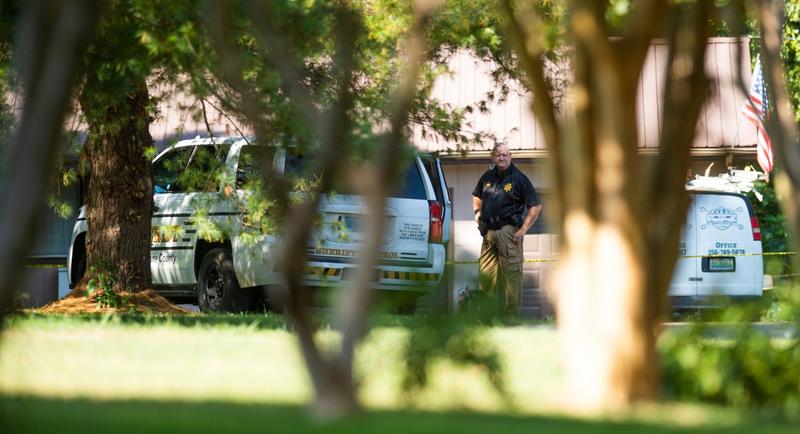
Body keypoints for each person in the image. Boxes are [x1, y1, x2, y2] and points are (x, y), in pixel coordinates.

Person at [472, 143, 542, 314]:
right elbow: (476, 195)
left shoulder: (519, 178)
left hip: (509, 232)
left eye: (505, 155)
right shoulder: (487, 177)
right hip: (488, 232)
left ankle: (511, 318)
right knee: (486, 275)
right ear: (493, 157)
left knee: (512, 277)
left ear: (510, 157)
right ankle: (486, 317)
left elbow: (535, 206)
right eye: (498, 155)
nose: (501, 158)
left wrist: (523, 229)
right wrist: (477, 214)